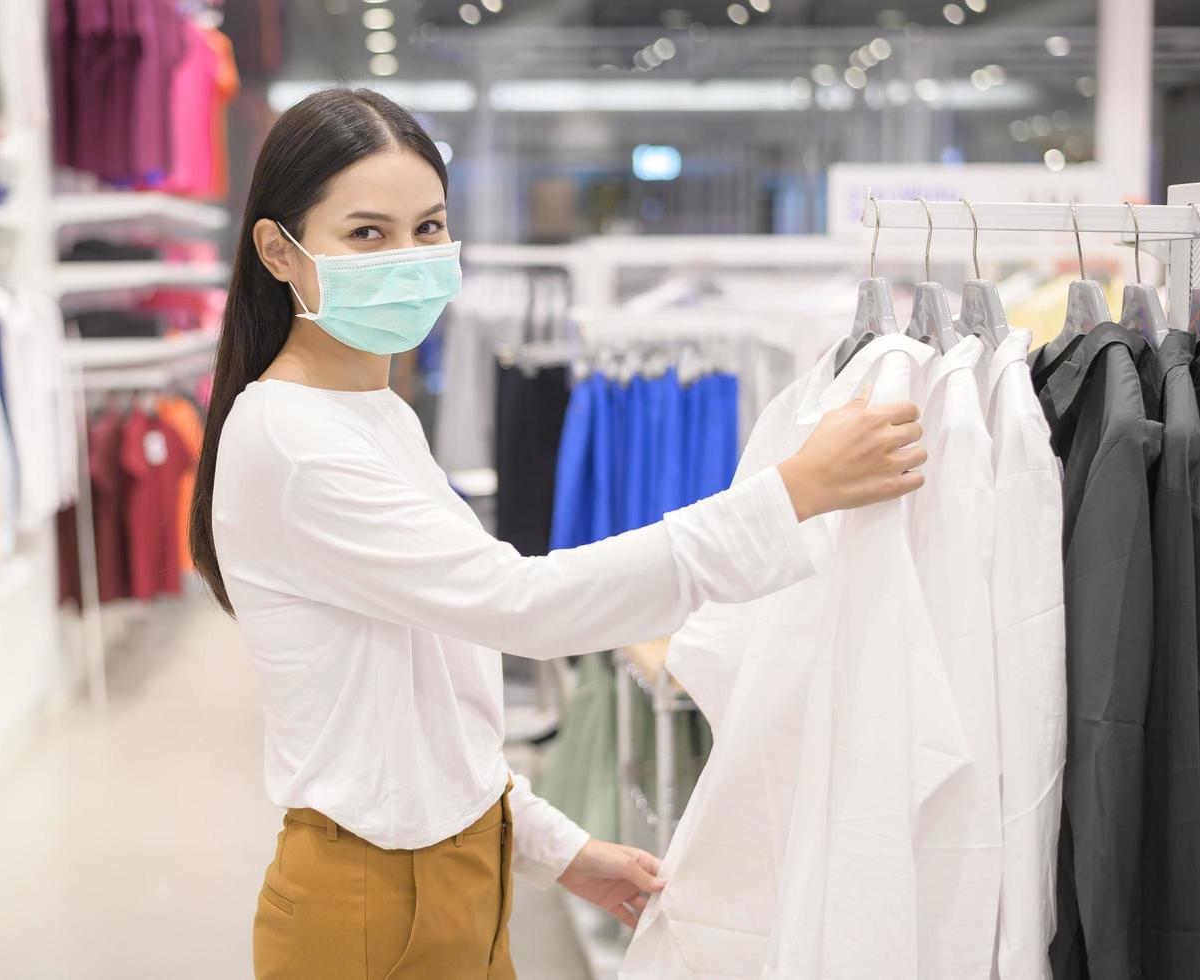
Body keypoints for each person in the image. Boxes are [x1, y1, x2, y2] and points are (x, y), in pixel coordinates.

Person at [188, 87, 926, 980]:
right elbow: (521, 606)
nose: (411, 258)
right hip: (370, 904)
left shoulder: (371, 415)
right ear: (279, 250)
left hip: (460, 869)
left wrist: (556, 849)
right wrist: (786, 495)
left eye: (428, 228)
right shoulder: (292, 440)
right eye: (367, 234)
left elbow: (422, 713)